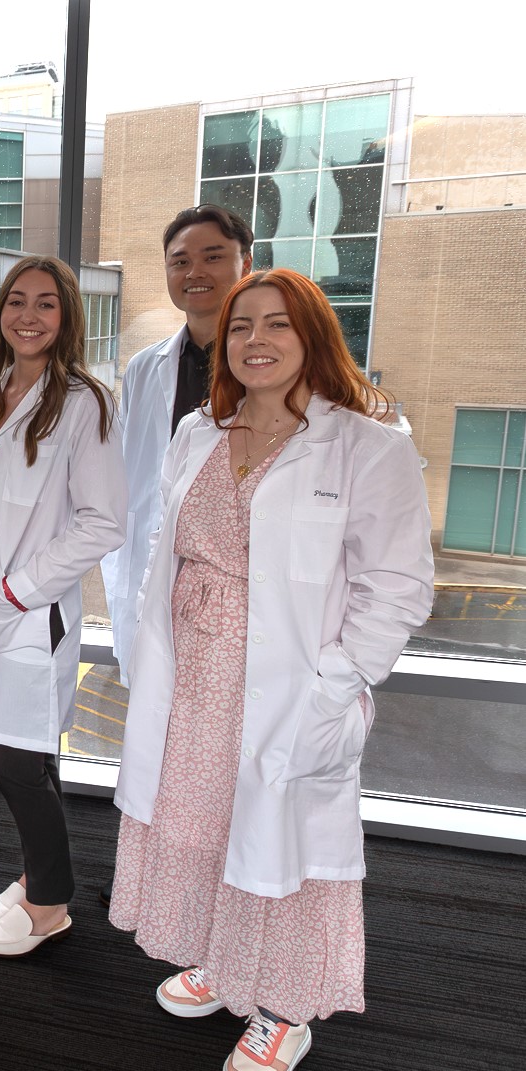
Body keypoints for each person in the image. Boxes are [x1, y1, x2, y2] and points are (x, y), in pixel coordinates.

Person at [111, 269, 434, 1071]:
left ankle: (284, 1007)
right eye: (242, 325)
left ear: (314, 336)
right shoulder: (200, 431)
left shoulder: (366, 441)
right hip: (192, 679)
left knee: (282, 842)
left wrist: (338, 682)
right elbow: (165, 547)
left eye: (278, 324)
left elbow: (397, 586)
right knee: (207, 828)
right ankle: (226, 963)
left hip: (292, 685)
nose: (257, 340)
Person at [0, 255, 127, 957]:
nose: (28, 314)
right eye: (17, 300)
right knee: (27, 752)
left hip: (30, 606)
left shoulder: (84, 401)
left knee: (18, 762)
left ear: (67, 315)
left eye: (45, 304)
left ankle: (50, 903)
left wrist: (21, 588)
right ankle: (36, 877)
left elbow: (103, 520)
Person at [98, 204, 254, 908]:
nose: (195, 272)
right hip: (162, 592)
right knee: (172, 761)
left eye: (212, 255)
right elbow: (136, 489)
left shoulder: (273, 362)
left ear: (245, 263)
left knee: (235, 769)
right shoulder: (147, 369)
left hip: (242, 602)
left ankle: (234, 919)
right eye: (180, 260)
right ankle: (180, 906)